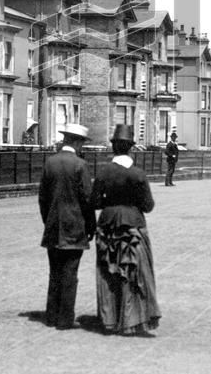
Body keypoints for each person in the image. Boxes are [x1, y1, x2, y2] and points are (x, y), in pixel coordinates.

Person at [90, 124, 161, 335]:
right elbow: (148, 206)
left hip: (108, 224)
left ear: (113, 146)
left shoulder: (103, 172)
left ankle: (109, 319)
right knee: (134, 273)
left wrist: (109, 202)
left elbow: (94, 202)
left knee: (108, 270)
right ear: (131, 147)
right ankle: (131, 320)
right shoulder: (138, 174)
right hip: (133, 226)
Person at [38, 123, 96, 330]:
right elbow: (87, 200)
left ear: (65, 140)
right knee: (70, 274)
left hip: (53, 226)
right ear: (77, 142)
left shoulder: (50, 163)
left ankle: (51, 314)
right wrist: (91, 226)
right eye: (82, 143)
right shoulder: (80, 165)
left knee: (54, 272)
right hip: (75, 227)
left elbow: (42, 198)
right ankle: (64, 319)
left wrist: (49, 220)